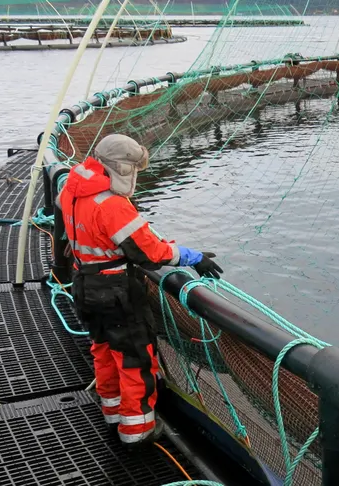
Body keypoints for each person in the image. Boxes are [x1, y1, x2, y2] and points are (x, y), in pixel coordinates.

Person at [58, 134, 223, 447]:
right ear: (122, 169)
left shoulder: (70, 188)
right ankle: (138, 431)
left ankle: (112, 414)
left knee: (104, 350)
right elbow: (148, 252)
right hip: (115, 292)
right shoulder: (112, 205)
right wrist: (193, 256)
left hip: (83, 284)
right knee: (135, 359)